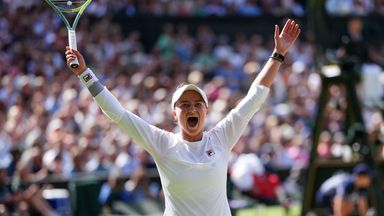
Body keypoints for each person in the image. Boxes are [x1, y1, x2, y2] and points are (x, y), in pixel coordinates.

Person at [65, 19, 300, 216]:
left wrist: (278, 54)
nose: (192, 109)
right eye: (184, 105)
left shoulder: (221, 137)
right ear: (173, 114)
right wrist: (85, 74)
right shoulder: (163, 143)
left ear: (206, 111)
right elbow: (118, 114)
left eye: (198, 104)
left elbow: (254, 98)